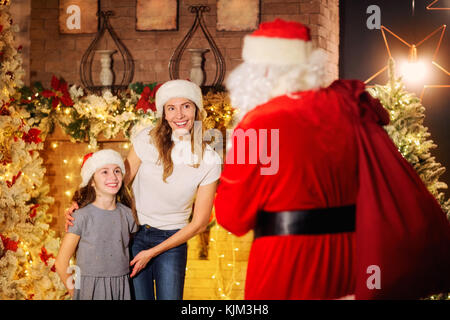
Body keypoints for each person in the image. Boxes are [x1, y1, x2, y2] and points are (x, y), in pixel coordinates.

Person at [214, 18, 450, 300]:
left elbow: (233, 218)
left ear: (260, 71)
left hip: (287, 262)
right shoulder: (347, 107)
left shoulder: (258, 122)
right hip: (350, 257)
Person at [66, 79, 222, 300]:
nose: (179, 114)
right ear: (164, 115)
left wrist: (153, 252)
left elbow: (199, 223)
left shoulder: (210, 159)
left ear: (196, 110)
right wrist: (81, 203)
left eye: (186, 106)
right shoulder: (146, 141)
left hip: (174, 241)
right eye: (171, 108)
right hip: (136, 234)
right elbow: (117, 183)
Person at [55, 149, 138, 300]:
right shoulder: (81, 216)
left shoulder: (128, 214)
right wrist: (75, 291)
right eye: (104, 172)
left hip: (121, 287)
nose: (113, 177)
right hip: (89, 289)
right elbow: (61, 262)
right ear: (91, 181)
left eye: (117, 171)